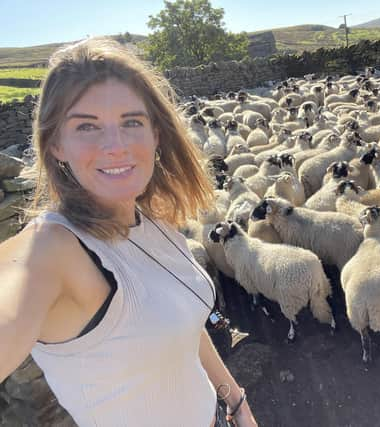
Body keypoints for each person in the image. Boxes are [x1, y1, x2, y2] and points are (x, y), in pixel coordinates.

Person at [0, 37, 257, 427]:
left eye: (131, 122)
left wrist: (236, 403)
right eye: (86, 126)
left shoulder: (153, 220)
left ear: (156, 133)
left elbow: (182, 325)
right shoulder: (51, 251)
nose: (115, 145)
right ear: (56, 145)